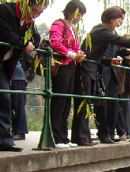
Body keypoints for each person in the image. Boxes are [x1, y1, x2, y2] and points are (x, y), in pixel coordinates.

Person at [75, 6, 130, 145]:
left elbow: (96, 55)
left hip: (94, 69)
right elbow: (120, 41)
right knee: (85, 102)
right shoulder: (101, 31)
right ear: (111, 19)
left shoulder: (103, 31)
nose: (121, 22)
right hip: (87, 69)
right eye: (119, 19)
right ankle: (81, 137)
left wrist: (109, 60)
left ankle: (93, 135)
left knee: (96, 103)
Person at [0, 0, 47, 152]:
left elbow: (36, 39)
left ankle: (4, 140)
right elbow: (4, 32)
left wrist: (30, 43)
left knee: (5, 97)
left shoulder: (29, 21)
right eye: (35, 11)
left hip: (6, 64)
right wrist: (24, 43)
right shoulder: (5, 10)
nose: (36, 16)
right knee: (4, 96)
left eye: (40, 13)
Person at [49, 0, 87, 149]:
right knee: (59, 100)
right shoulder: (59, 24)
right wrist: (72, 54)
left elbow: (75, 48)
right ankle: (56, 136)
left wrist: (79, 54)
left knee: (66, 102)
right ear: (72, 11)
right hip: (62, 66)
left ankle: (63, 137)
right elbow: (55, 42)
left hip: (71, 67)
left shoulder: (73, 28)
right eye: (79, 14)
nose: (79, 18)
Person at [11, 60, 28, 140]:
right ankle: (12, 130)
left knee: (18, 106)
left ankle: (20, 132)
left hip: (17, 77)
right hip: (10, 75)